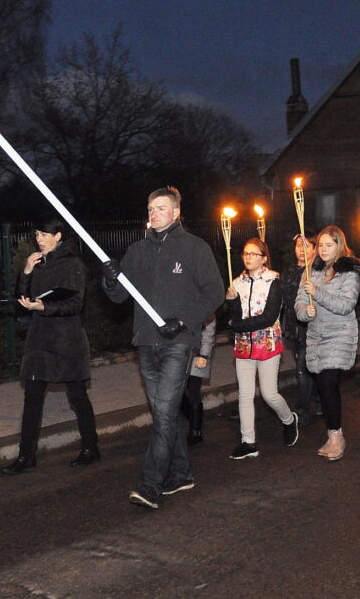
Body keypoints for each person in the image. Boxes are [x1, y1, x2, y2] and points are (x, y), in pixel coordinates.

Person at [101, 187, 224, 510]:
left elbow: (215, 293)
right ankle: (181, 473)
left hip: (178, 344)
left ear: (176, 213)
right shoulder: (138, 250)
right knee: (163, 413)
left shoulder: (195, 249)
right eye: (150, 208)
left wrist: (182, 322)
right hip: (146, 343)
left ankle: (150, 485)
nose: (153, 214)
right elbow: (117, 297)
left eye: (160, 208)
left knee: (165, 413)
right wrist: (111, 278)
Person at [2, 218, 98, 475]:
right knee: (32, 397)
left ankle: (91, 448)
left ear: (58, 236)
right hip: (40, 338)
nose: (39, 239)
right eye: (37, 234)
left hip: (67, 339)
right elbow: (23, 298)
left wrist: (45, 306)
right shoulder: (38, 263)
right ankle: (26, 456)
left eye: (44, 234)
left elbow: (76, 303)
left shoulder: (73, 264)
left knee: (77, 396)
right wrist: (26, 273)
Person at [226, 238, 300, 459]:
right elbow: (235, 316)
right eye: (246, 254)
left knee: (269, 394)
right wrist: (231, 302)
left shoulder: (273, 281)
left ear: (264, 258)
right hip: (244, 346)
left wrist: (236, 325)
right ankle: (248, 442)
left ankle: (289, 420)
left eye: (253, 254)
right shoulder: (237, 282)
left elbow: (269, 317)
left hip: (266, 343)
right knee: (245, 395)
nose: (248, 257)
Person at [295, 225, 360, 461]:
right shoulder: (310, 272)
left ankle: (336, 436)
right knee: (323, 387)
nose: (323, 249)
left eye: (329, 244)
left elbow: (346, 305)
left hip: (340, 333)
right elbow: (299, 306)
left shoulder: (349, 273)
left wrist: (319, 294)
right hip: (316, 335)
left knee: (328, 383)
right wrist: (307, 312)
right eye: (321, 245)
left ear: (339, 246)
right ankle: (333, 433)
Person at [280, 231, 319, 426]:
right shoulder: (288, 272)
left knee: (302, 370)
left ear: (314, 249)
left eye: (306, 246)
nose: (301, 250)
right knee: (307, 367)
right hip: (293, 328)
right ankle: (319, 400)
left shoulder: (318, 272)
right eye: (298, 246)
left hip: (311, 328)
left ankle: (302, 411)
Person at [180, 316, 216, 448]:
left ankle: (195, 432)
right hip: (177, 353)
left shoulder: (202, 297)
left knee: (192, 391)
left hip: (197, 354)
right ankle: (195, 421)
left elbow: (209, 329)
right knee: (180, 394)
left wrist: (204, 354)